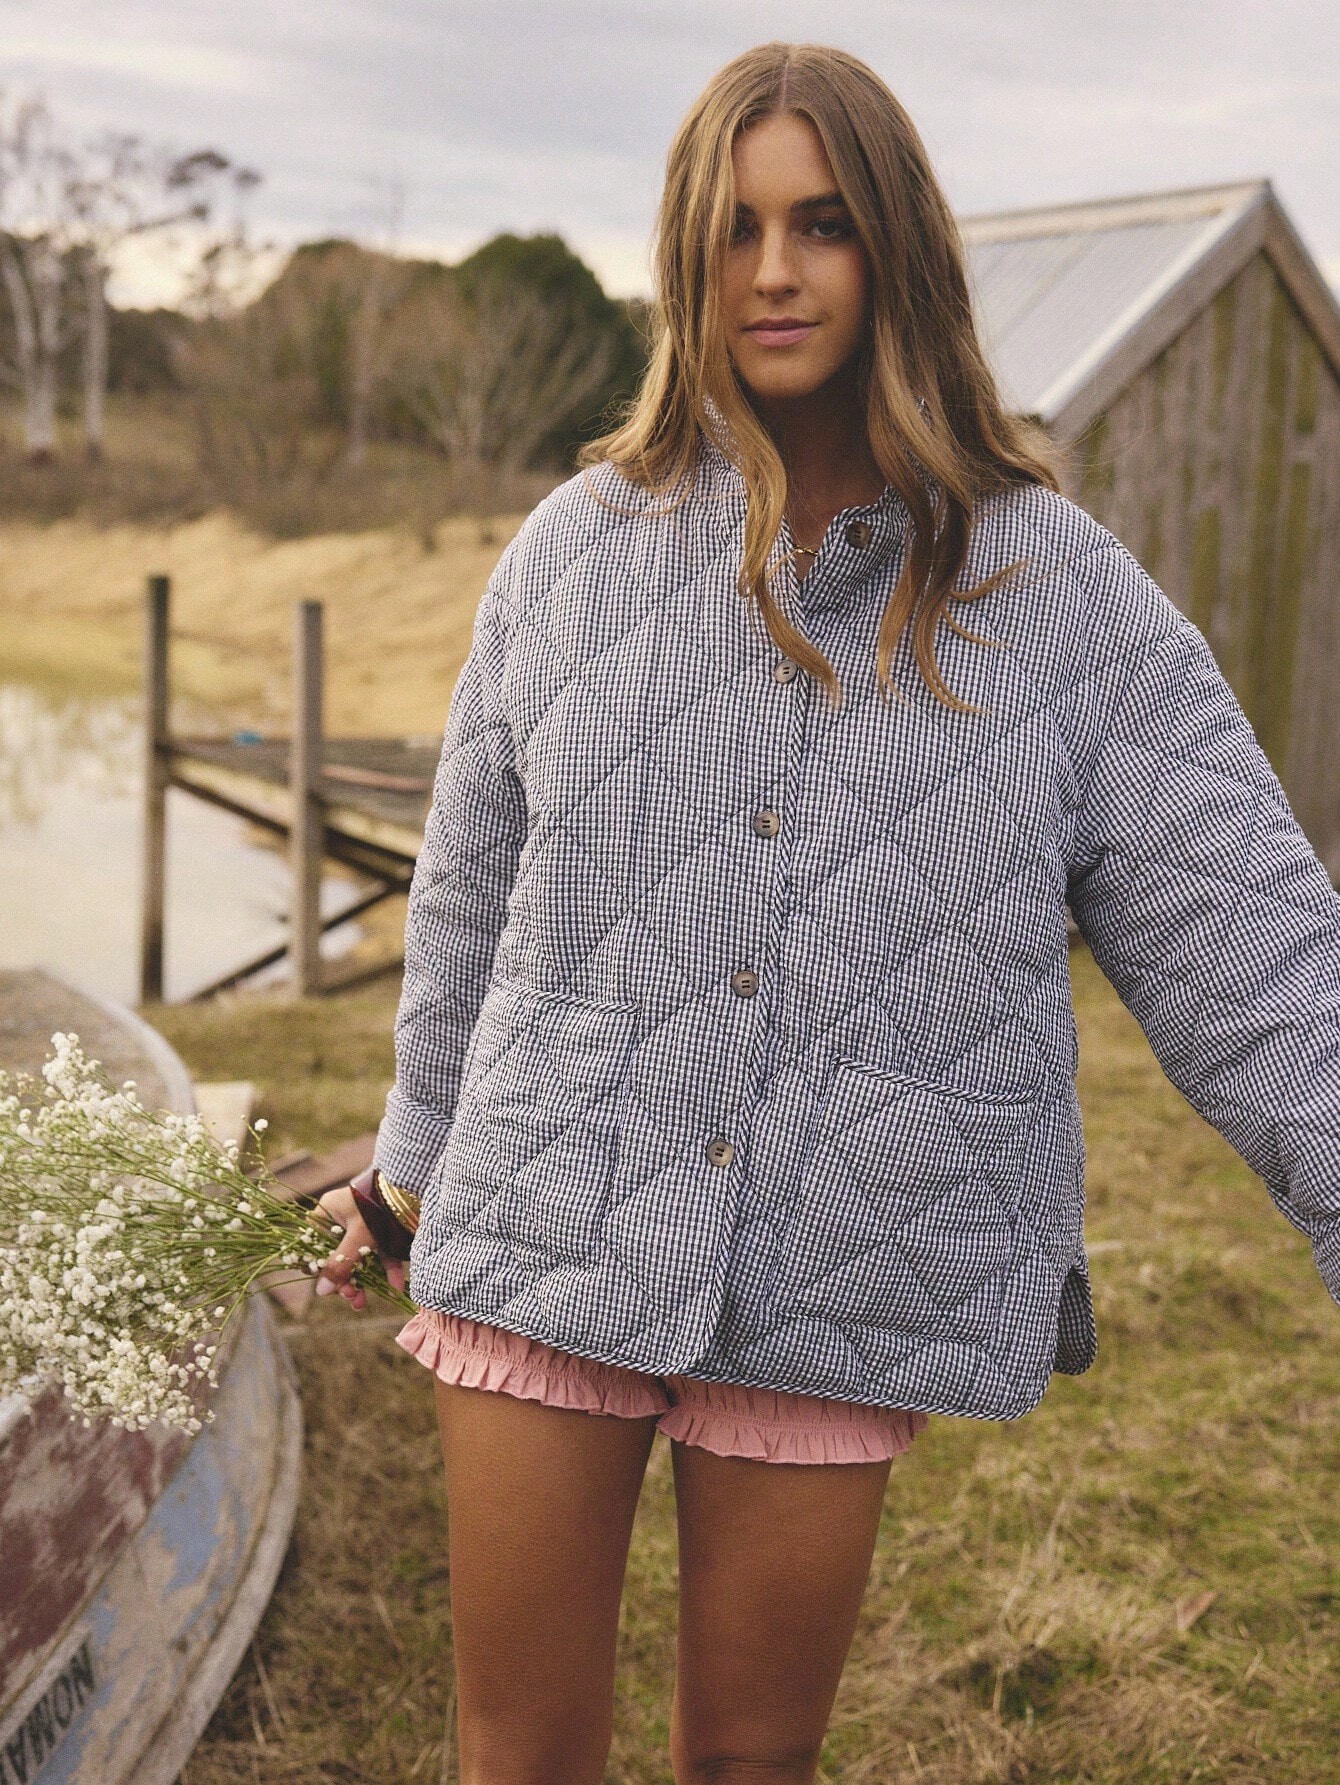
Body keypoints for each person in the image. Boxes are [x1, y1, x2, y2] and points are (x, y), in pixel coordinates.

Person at [316, 40, 1340, 1785]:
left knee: (751, 1765)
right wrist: (408, 1170)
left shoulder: (1062, 599)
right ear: (683, 253)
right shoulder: (570, 556)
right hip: (544, 1222)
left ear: (898, 251)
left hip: (842, 1260)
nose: (774, 271)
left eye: (823, 224)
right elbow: (470, 906)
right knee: (516, 1758)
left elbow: (1257, 948)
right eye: (735, 228)